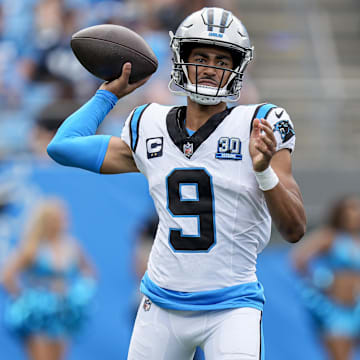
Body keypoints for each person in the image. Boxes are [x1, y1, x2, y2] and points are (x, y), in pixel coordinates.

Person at [47, 7, 306, 359]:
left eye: (221, 59)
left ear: (236, 68)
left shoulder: (260, 123)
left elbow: (294, 229)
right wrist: (107, 95)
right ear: (182, 58)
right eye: (201, 56)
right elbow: (62, 146)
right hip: (161, 304)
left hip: (231, 306)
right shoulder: (148, 123)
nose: (211, 68)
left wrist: (264, 172)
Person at [1, 198, 96, 360]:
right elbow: (7, 276)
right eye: (57, 218)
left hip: (63, 311)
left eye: (64, 217)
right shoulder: (32, 247)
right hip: (39, 314)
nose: (63, 222)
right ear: (46, 221)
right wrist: (24, 298)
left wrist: (80, 293)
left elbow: (90, 272)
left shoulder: (72, 245)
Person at [292, 195, 360, 360]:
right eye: (351, 209)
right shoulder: (330, 237)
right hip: (337, 310)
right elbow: (298, 259)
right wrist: (321, 280)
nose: (355, 214)